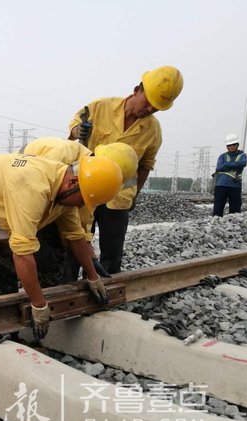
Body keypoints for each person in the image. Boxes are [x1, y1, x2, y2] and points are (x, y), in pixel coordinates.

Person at [0, 152, 123, 341]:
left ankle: (3, 332)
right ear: (73, 184)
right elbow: (23, 254)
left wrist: (92, 276)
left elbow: (75, 237)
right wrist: (39, 305)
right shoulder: (32, 187)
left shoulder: (63, 191)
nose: (81, 206)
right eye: (82, 200)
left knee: (5, 279)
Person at [68, 66, 184, 274]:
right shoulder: (100, 107)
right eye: (148, 102)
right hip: (85, 191)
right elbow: (75, 127)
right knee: (74, 244)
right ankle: (66, 287)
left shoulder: (153, 131)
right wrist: (78, 130)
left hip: (119, 197)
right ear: (136, 90)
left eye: (156, 108)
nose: (149, 109)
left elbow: (145, 166)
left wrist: (135, 195)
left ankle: (103, 291)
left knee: (111, 255)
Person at [19, 137, 138, 282]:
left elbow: (83, 221)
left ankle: (54, 287)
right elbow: (33, 194)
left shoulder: (88, 177)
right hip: (25, 192)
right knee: (35, 248)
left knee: (65, 245)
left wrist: (91, 258)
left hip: (47, 195)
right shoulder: (59, 156)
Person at [212, 133, 247, 216]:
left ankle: (233, 226)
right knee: (218, 209)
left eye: (233, 144)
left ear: (237, 145)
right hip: (221, 185)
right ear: (227, 146)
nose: (231, 147)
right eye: (229, 145)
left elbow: (242, 163)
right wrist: (234, 164)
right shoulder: (222, 156)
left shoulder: (242, 155)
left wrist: (226, 164)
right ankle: (216, 225)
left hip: (234, 185)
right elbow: (219, 167)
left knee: (235, 210)